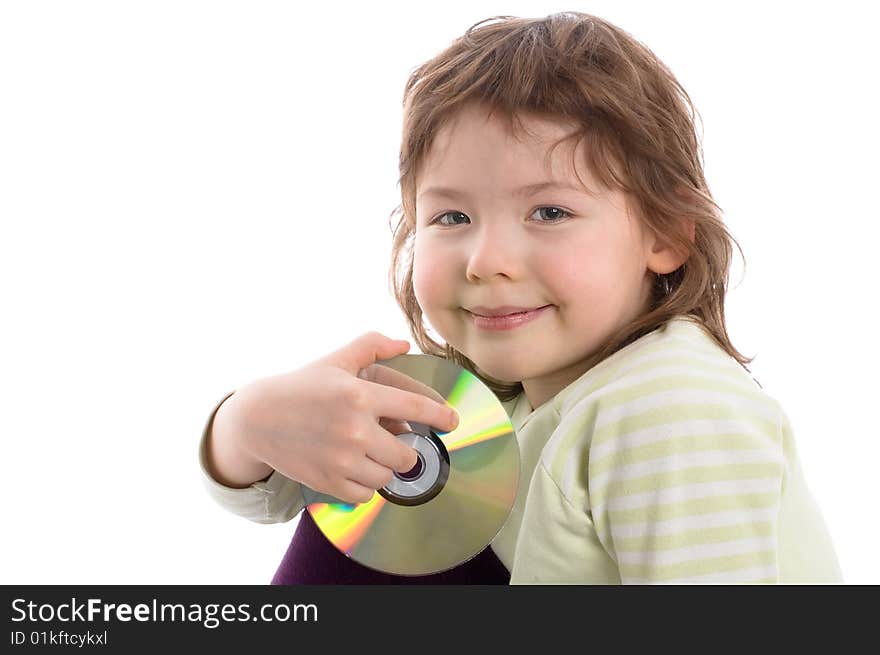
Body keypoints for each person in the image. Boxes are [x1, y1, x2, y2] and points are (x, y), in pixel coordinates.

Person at [199, 12, 841, 584]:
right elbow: (275, 489)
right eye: (451, 218)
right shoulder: (486, 400)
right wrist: (250, 420)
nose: (487, 262)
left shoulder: (670, 404)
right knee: (381, 477)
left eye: (550, 211)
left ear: (666, 235)